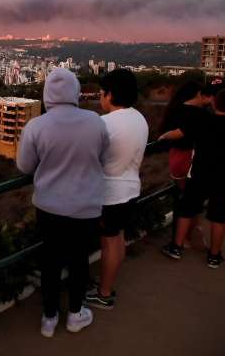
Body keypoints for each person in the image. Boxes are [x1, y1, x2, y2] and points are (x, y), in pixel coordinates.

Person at [17, 68, 109, 337]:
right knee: (79, 260)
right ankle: (75, 314)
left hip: (49, 207)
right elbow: (103, 158)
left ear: (47, 94)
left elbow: (25, 166)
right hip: (86, 207)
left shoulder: (37, 125)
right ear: (75, 92)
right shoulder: (95, 121)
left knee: (51, 262)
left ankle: (49, 318)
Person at [159, 88, 225, 269]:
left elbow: (179, 133)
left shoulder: (202, 119)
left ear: (214, 103)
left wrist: (163, 136)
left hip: (200, 173)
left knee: (187, 208)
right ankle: (214, 257)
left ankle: (176, 247)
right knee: (219, 216)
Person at [85, 69, 148, 310]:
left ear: (110, 95)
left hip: (110, 193)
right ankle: (107, 283)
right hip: (131, 188)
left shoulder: (104, 123)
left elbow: (90, 157)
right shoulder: (139, 118)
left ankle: (104, 293)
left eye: (101, 93)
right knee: (118, 237)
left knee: (109, 242)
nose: (100, 98)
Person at [158, 80, 219, 249]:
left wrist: (163, 137)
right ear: (198, 94)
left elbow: (177, 133)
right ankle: (191, 235)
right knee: (191, 200)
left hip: (178, 158)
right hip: (190, 159)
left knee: (186, 199)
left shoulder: (177, 110)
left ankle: (186, 237)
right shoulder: (201, 114)